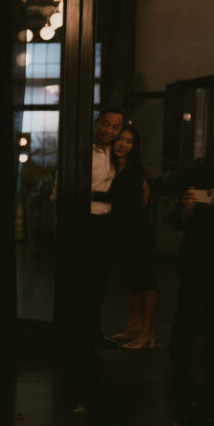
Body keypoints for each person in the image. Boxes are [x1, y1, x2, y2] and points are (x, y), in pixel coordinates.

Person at [169, 133, 214, 413]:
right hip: (201, 260)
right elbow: (176, 222)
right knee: (191, 315)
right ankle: (181, 374)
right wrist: (186, 211)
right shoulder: (201, 180)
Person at [104, 125, 159, 349]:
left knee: (144, 280)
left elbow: (133, 204)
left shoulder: (135, 169)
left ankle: (147, 331)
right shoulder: (112, 166)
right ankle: (134, 324)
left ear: (134, 146)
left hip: (136, 231)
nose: (122, 144)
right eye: (119, 139)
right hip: (120, 231)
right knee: (130, 280)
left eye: (128, 141)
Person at [84, 107, 125, 345]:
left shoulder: (116, 153)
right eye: (106, 124)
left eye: (115, 127)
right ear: (97, 123)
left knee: (100, 279)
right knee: (84, 279)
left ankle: (94, 332)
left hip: (107, 222)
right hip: (87, 219)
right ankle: (81, 332)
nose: (109, 130)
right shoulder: (84, 151)